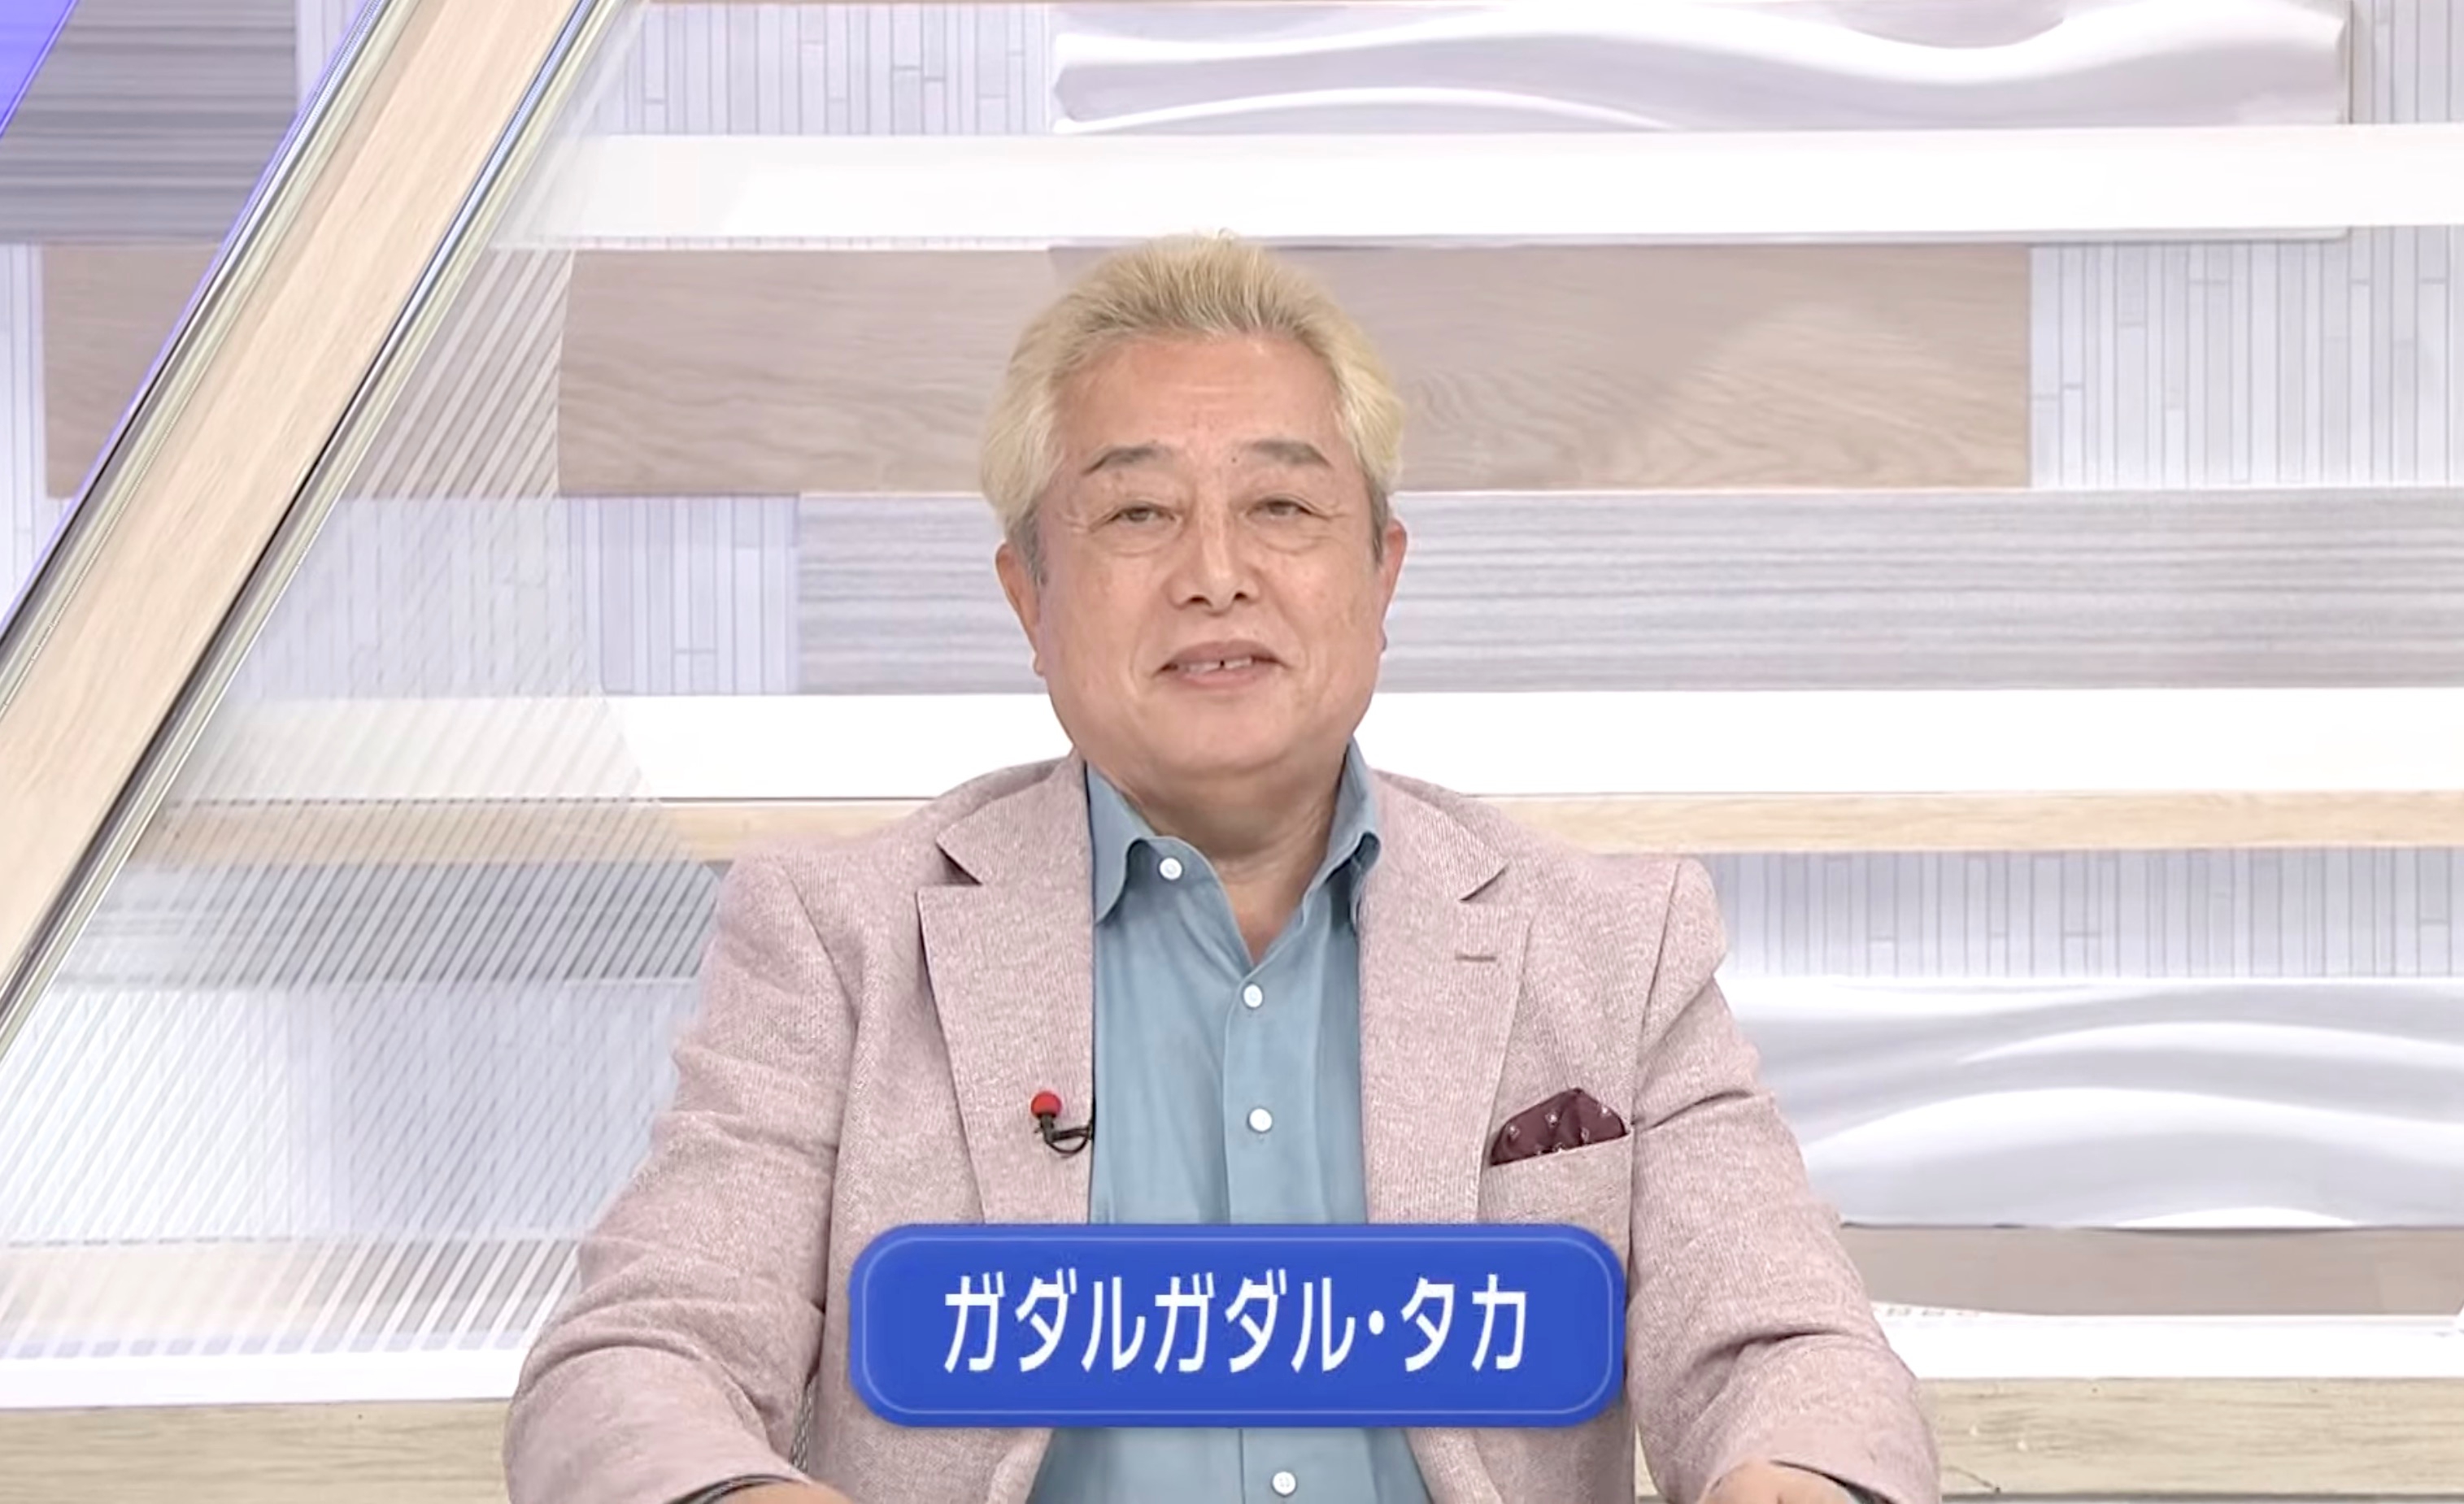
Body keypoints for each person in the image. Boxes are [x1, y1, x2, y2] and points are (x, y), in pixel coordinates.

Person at [504, 234, 1937, 1504]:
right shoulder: (842, 942)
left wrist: (1794, 1471)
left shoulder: (1610, 941)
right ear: (1028, 595)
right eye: (1137, 513)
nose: (1214, 572)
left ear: (1379, 574)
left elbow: (1791, 1348)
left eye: (1282, 508)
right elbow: (635, 1360)